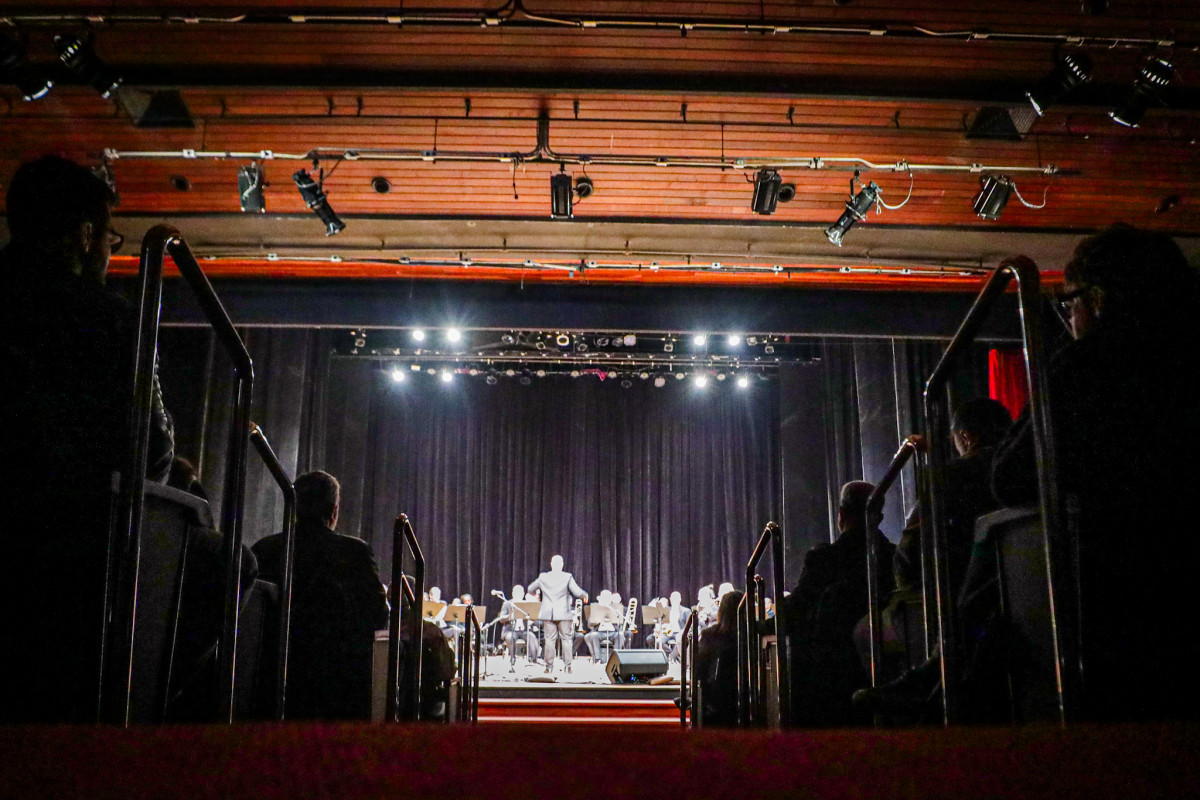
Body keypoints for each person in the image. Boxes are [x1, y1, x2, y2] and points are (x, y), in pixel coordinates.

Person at [991, 228, 1200, 721]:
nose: (1068, 319)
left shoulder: (1089, 366)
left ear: (1098, 300)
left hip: (1120, 603)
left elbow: (1011, 474)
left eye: (1069, 306)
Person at [1, 155, 175, 723]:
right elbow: (152, 449)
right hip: (76, 562)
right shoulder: (112, 319)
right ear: (83, 236)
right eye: (107, 236)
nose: (109, 249)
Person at [252, 470, 389, 720]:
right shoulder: (355, 552)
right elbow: (378, 615)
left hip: (269, 682)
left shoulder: (264, 549)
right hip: (339, 689)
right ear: (334, 511)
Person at [781, 480, 895, 727]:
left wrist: (758, 625)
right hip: (891, 679)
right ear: (879, 516)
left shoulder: (825, 560)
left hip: (830, 684)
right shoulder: (894, 559)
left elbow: (795, 612)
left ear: (841, 515)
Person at [527, 555, 588, 673]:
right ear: (562, 564)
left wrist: (536, 593)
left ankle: (548, 667)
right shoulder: (567, 577)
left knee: (549, 640)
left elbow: (530, 589)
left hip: (547, 613)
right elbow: (576, 592)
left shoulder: (543, 577)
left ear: (551, 564)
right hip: (563, 613)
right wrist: (584, 595)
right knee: (566, 640)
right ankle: (568, 667)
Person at [694, 589, 745, 726]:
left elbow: (699, 669)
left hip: (715, 700)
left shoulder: (709, 635)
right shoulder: (751, 635)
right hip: (746, 698)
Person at [496, 585, 541, 666]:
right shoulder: (507, 603)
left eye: (520, 593)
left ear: (523, 594)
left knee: (532, 637)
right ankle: (512, 659)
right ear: (512, 593)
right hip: (510, 630)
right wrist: (509, 616)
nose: (518, 595)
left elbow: (534, 618)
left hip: (523, 630)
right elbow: (501, 619)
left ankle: (533, 660)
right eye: (516, 593)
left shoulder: (527, 604)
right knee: (510, 637)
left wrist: (531, 618)